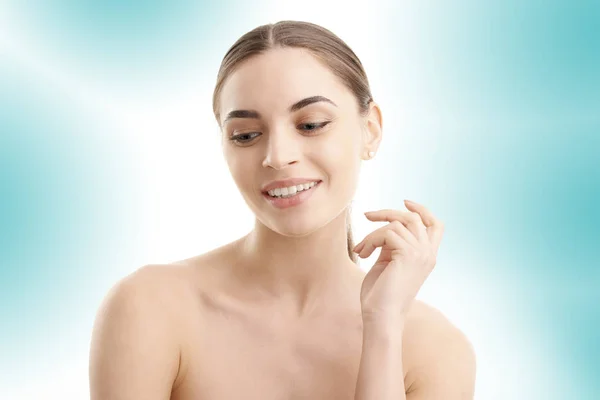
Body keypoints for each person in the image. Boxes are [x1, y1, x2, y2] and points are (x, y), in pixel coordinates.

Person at [89, 20, 476, 399]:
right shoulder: (151, 307)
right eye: (246, 135)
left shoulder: (435, 350)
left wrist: (383, 327)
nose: (277, 156)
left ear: (370, 129)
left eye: (310, 125)